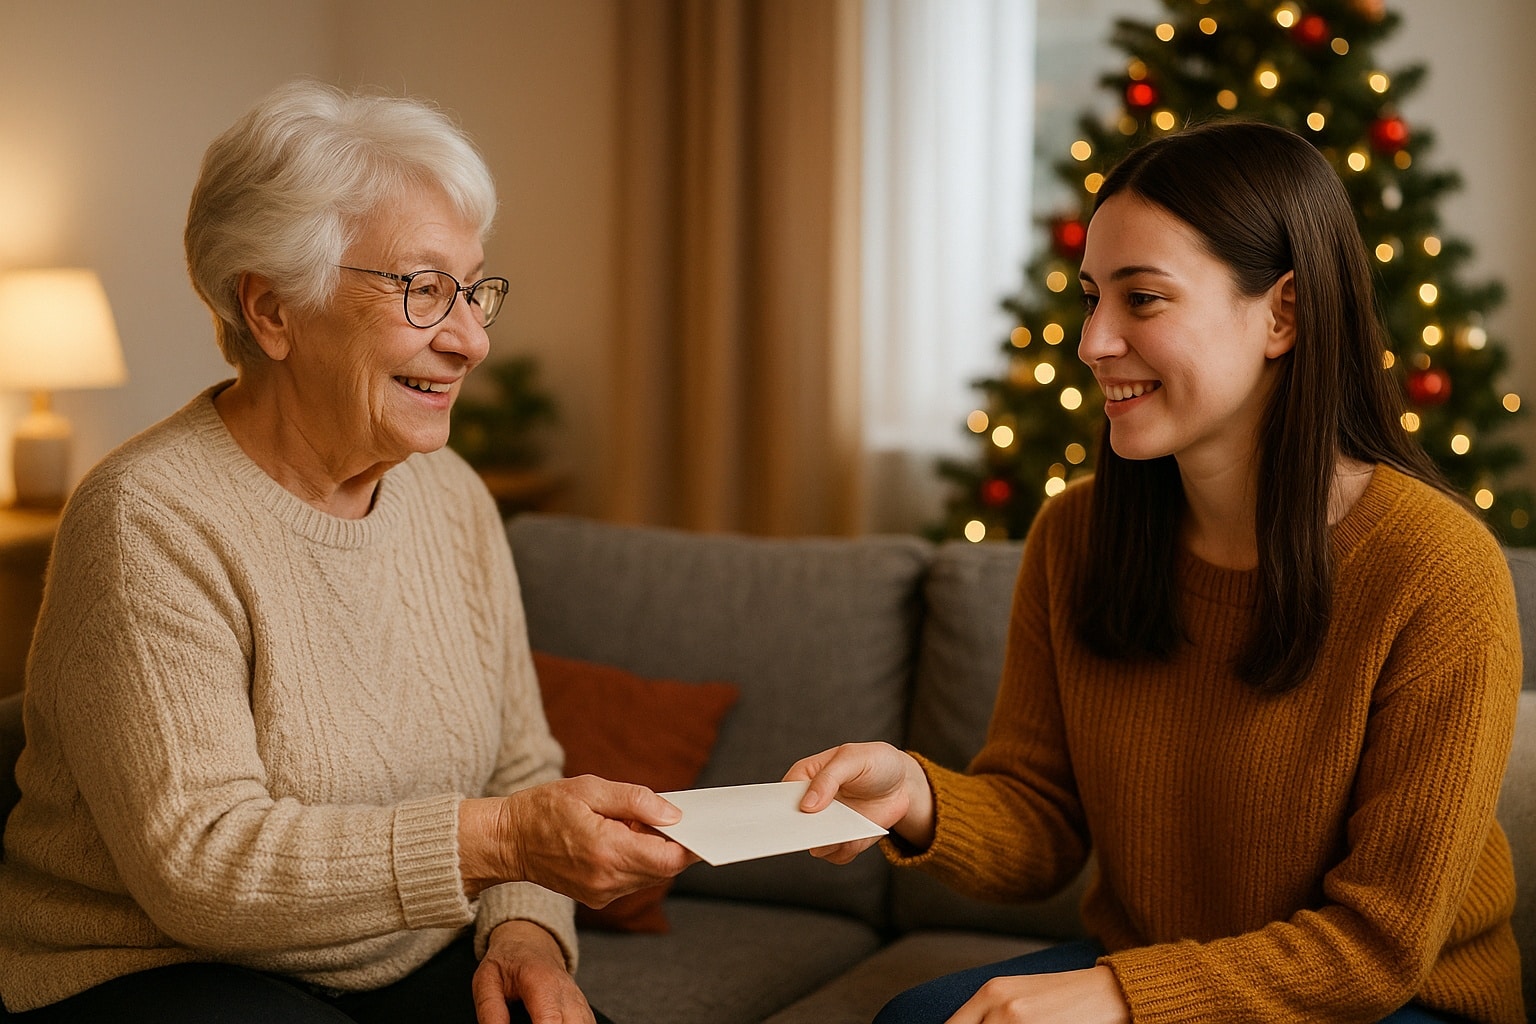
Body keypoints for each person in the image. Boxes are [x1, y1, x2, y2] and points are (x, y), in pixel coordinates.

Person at [786, 120, 1523, 1024]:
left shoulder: (1439, 571)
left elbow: (1378, 948)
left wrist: (1122, 996)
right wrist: (914, 794)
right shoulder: (1077, 536)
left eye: (1144, 300)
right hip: (1159, 965)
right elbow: (1043, 822)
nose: (1094, 342)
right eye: (1092, 298)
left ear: (1282, 314)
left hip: (1391, 999)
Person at [0, 80, 695, 1024]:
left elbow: (521, 766)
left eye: (474, 288)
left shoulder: (451, 495)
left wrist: (523, 932)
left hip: (407, 961)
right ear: (274, 310)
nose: (474, 339)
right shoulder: (146, 520)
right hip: (156, 972)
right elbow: (203, 867)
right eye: (423, 290)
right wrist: (501, 842)